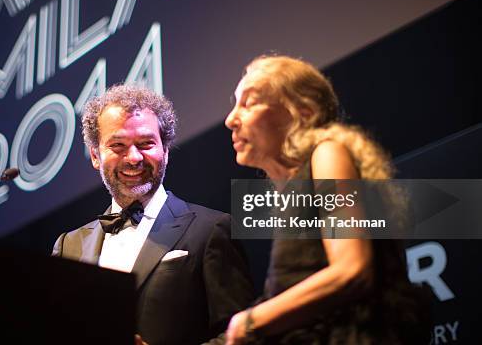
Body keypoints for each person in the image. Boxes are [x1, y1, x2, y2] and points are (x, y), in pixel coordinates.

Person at [223, 55, 430, 344]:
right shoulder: (293, 193)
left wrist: (251, 321)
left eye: (248, 103)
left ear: (302, 113)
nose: (231, 119)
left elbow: (352, 269)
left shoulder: (328, 154)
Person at [52, 84, 254, 345]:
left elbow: (243, 336)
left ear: (166, 151)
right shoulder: (68, 246)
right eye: (118, 145)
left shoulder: (211, 229)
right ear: (95, 156)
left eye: (146, 143)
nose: (134, 157)